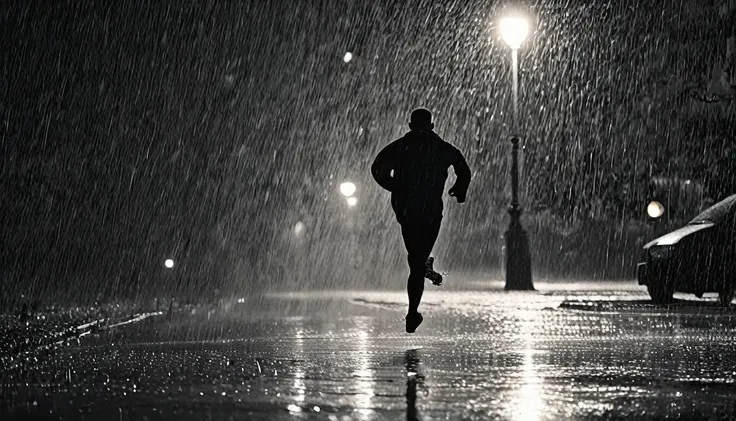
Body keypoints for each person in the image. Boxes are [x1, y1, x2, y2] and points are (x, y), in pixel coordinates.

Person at [371, 108, 472, 333]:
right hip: (427, 211)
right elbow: (462, 167)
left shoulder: (400, 148)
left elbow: (377, 168)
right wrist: (460, 188)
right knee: (416, 261)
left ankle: (415, 304)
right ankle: (413, 308)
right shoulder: (440, 148)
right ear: (431, 126)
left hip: (409, 210)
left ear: (409, 125)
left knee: (415, 260)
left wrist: (394, 186)